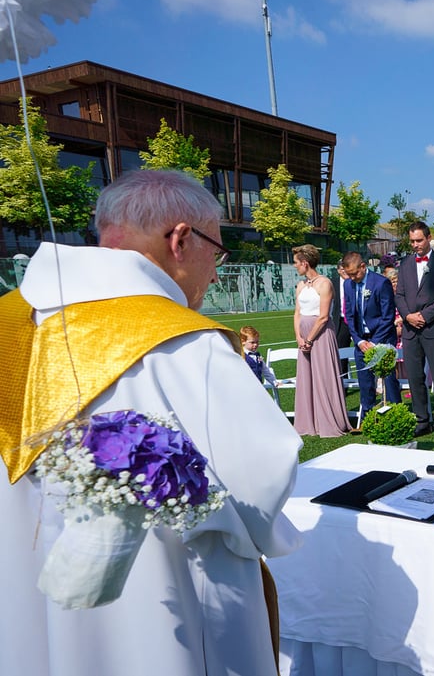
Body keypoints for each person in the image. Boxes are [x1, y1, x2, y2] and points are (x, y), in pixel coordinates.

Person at [0, 169, 301, 676]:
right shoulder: (186, 343)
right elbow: (262, 480)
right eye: (217, 250)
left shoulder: (7, 318)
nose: (214, 270)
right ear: (181, 239)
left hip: (18, 589)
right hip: (168, 605)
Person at [395, 221, 434, 441]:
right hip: (411, 330)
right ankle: (422, 420)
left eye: (419, 240)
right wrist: (408, 316)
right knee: (414, 377)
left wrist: (425, 315)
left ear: (429, 238)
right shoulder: (404, 264)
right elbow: (399, 295)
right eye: (412, 241)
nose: (415, 245)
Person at [292, 244, 351, 437]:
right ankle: (309, 422)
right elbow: (297, 312)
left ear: (305, 263)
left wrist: (309, 339)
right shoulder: (301, 285)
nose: (294, 266)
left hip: (321, 333)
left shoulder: (324, 283)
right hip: (304, 335)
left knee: (324, 376)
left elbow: (324, 316)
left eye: (296, 263)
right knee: (306, 378)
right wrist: (299, 337)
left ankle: (329, 420)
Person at [343, 252, 402, 417]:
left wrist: (375, 342)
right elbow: (349, 315)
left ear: (363, 266)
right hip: (362, 340)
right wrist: (359, 341)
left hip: (382, 338)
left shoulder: (381, 283)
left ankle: (395, 413)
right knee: (365, 380)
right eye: (349, 275)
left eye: (355, 273)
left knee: (388, 378)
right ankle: (367, 415)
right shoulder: (348, 285)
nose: (353, 278)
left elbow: (388, 316)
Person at [334, 260, 353, 377]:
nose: (344, 271)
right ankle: (343, 382)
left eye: (346, 268)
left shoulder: (356, 281)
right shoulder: (332, 283)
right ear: (338, 270)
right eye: (341, 269)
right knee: (341, 353)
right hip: (341, 321)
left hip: (357, 321)